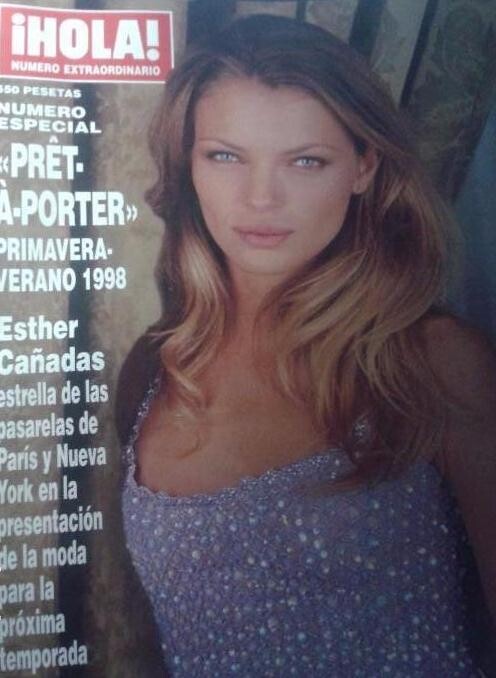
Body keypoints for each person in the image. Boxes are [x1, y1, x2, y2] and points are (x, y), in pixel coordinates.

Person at [117, 14, 496, 677]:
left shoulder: (434, 361)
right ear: (188, 164)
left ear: (363, 167)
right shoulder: (155, 367)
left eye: (306, 161)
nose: (261, 198)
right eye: (226, 156)